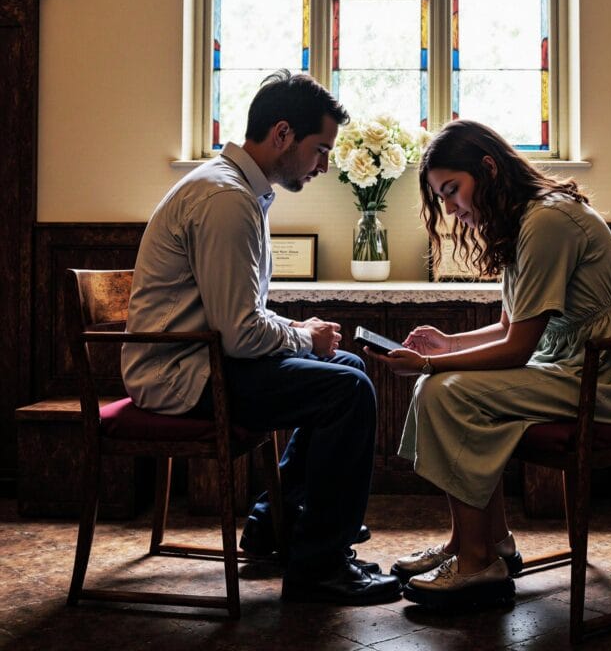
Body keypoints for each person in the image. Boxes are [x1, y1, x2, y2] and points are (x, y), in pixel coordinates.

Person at [121, 70, 401, 605]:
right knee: (348, 391)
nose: (323, 166)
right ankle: (319, 568)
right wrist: (304, 336)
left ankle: (274, 526)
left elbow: (234, 318)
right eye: (320, 150)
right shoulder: (226, 200)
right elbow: (241, 335)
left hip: (203, 359)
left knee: (350, 370)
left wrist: (301, 332)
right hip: (181, 374)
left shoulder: (235, 190)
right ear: (281, 135)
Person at [364, 119, 611, 608]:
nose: (453, 208)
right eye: (443, 198)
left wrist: (430, 368)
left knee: (444, 391)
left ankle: (478, 561)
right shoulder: (525, 221)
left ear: (489, 169)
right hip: (566, 366)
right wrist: (445, 344)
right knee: (446, 386)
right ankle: (481, 542)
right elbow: (506, 327)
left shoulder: (547, 221)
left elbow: (517, 347)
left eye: (453, 191)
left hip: (600, 377)